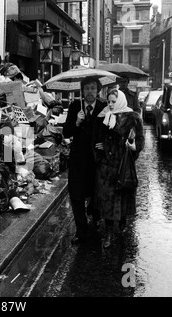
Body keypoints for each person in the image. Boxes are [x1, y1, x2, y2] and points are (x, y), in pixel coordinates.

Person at [93, 89, 145, 249]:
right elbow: (98, 139)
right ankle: (108, 232)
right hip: (107, 166)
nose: (110, 104)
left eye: (113, 101)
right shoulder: (104, 116)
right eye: (109, 101)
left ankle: (122, 220)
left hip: (123, 165)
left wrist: (134, 146)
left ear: (120, 101)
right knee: (107, 201)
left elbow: (140, 139)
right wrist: (100, 151)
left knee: (122, 197)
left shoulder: (133, 118)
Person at [63, 77, 107, 245]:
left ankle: (95, 218)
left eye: (93, 88)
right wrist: (76, 122)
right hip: (78, 160)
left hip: (96, 161)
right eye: (87, 88)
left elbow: (110, 131)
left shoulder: (103, 108)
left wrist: (106, 143)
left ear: (98, 91)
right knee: (76, 195)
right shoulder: (75, 107)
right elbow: (66, 133)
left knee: (96, 194)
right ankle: (81, 231)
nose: (90, 91)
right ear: (82, 91)